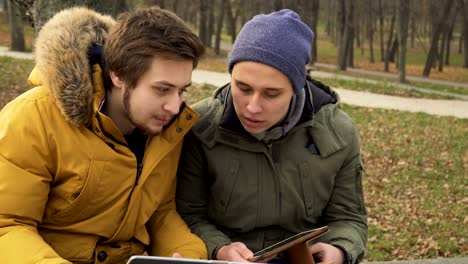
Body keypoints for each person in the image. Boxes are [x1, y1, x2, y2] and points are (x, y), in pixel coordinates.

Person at [0, 6, 206, 263]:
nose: (175, 107)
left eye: (181, 90)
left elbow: (160, 212)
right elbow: (7, 227)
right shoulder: (33, 118)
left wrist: (188, 257)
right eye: (162, 90)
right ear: (118, 74)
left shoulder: (166, 126)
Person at [176, 9, 367, 264]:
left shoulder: (338, 133)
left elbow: (349, 219)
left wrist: (340, 250)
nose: (253, 107)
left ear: (297, 87)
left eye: (271, 94)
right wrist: (219, 248)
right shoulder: (198, 128)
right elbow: (188, 214)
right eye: (243, 88)